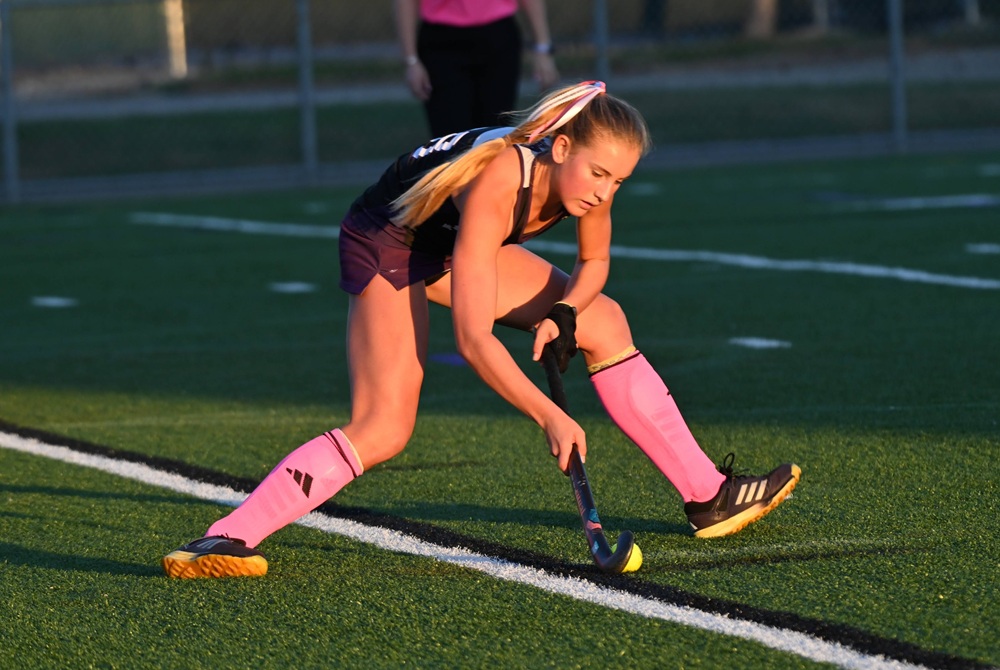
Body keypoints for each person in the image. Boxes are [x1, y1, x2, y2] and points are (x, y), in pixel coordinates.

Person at [162, 81, 801, 579]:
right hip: (388, 242)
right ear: (561, 148)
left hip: (453, 245)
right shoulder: (499, 180)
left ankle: (708, 496)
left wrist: (565, 313)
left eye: (620, 182)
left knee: (605, 319)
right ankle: (228, 535)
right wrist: (547, 415)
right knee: (384, 426)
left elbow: (595, 264)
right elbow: (472, 341)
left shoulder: (587, 184)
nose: (605, 193)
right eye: (599, 175)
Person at [394, 0, 560, 138]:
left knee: (494, 135)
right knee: (451, 141)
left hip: (497, 38)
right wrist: (411, 60)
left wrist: (542, 47)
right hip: (442, 44)